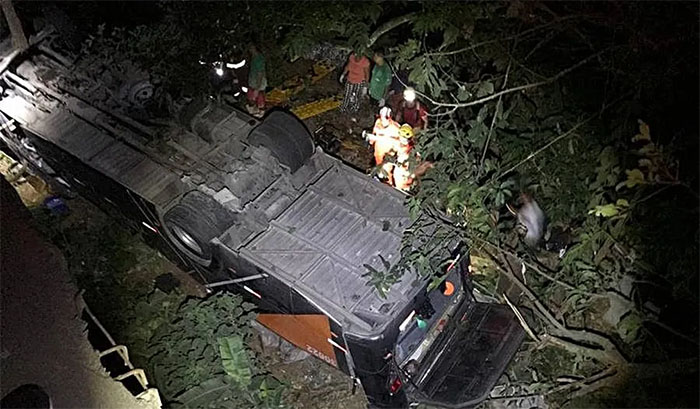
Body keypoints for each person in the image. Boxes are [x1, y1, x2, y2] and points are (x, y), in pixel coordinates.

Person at [247, 44, 267, 114]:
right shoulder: (254, 57)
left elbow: (260, 74)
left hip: (258, 85)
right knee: (252, 100)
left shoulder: (258, 59)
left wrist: (257, 88)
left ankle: (260, 114)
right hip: (253, 83)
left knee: (259, 101)